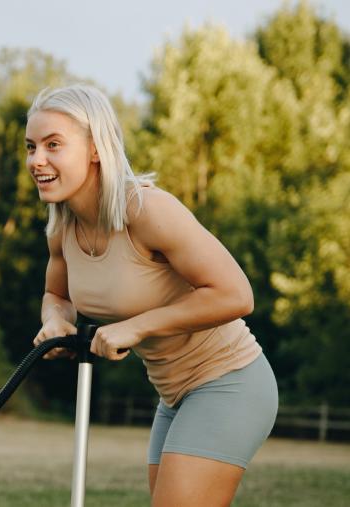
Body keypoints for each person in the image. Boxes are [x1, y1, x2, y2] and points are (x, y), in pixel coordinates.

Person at [27, 84, 278, 507]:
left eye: (54, 145)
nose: (37, 160)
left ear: (94, 148)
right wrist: (54, 321)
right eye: (31, 146)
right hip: (173, 394)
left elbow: (236, 294)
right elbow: (56, 293)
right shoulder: (63, 226)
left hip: (230, 380)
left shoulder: (146, 210)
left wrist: (136, 327)